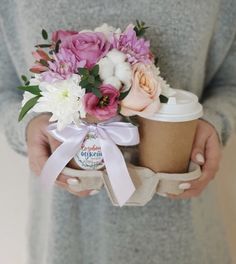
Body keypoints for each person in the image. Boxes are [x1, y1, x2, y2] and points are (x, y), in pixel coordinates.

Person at [0, 0, 235, 263]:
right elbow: (4, 86)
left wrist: (215, 122)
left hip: (184, 239)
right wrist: (28, 127)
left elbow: (230, 79)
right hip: (67, 240)